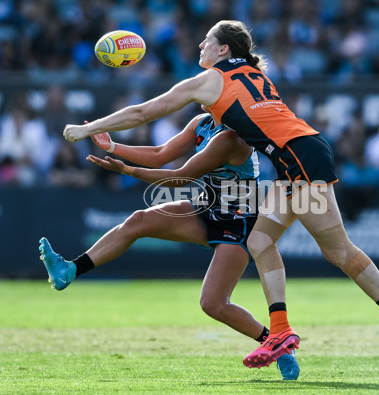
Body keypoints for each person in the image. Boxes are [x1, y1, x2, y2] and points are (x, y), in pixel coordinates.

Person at [62, 20, 379, 371]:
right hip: (298, 154)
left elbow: (144, 111)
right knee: (260, 241)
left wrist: (89, 127)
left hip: (300, 157)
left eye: (207, 40)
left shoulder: (212, 79)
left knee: (338, 251)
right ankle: (280, 332)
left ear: (223, 49)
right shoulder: (251, 73)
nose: (201, 45)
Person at [40, 111, 300, 380]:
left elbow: (181, 177)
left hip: (238, 223)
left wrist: (126, 170)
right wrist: (113, 147)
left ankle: (276, 345)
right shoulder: (203, 122)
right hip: (206, 209)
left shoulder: (232, 137)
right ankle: (69, 270)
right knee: (138, 221)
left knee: (213, 303)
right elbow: (160, 152)